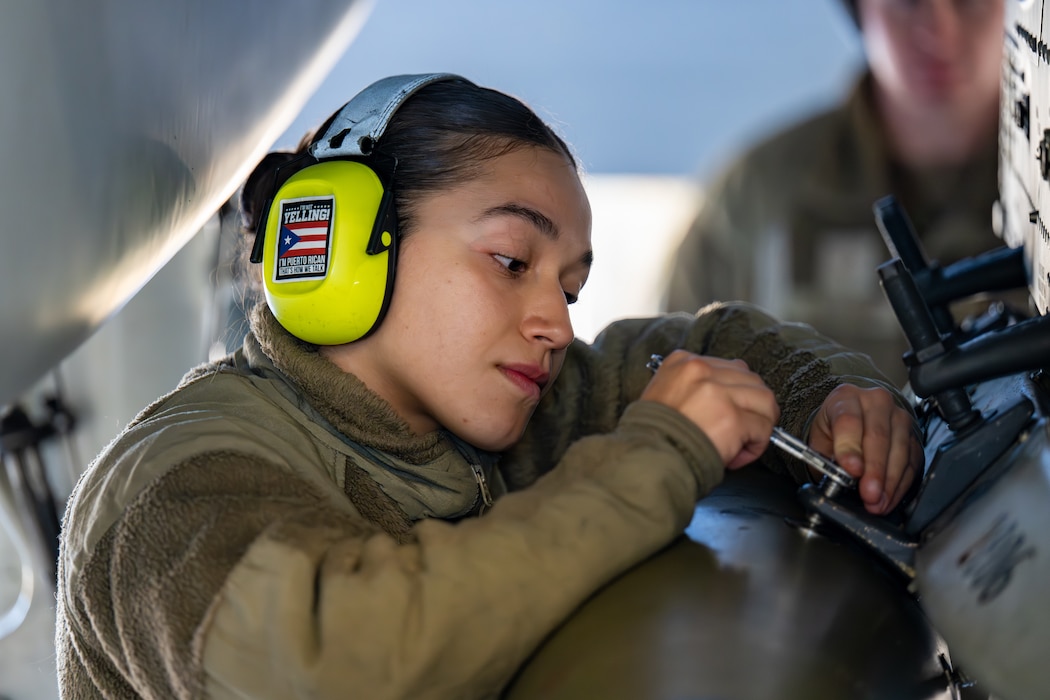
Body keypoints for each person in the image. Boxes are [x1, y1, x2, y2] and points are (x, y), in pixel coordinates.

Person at [55, 73, 921, 699]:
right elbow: (335, 665)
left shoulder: (511, 415)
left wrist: (833, 400)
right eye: (511, 261)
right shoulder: (175, 480)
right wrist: (657, 456)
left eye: (569, 290)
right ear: (345, 239)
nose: (557, 325)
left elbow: (702, 348)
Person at [663, 0, 1013, 387]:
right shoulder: (758, 195)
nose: (939, 32)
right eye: (907, 2)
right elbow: (675, 382)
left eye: (970, 1)